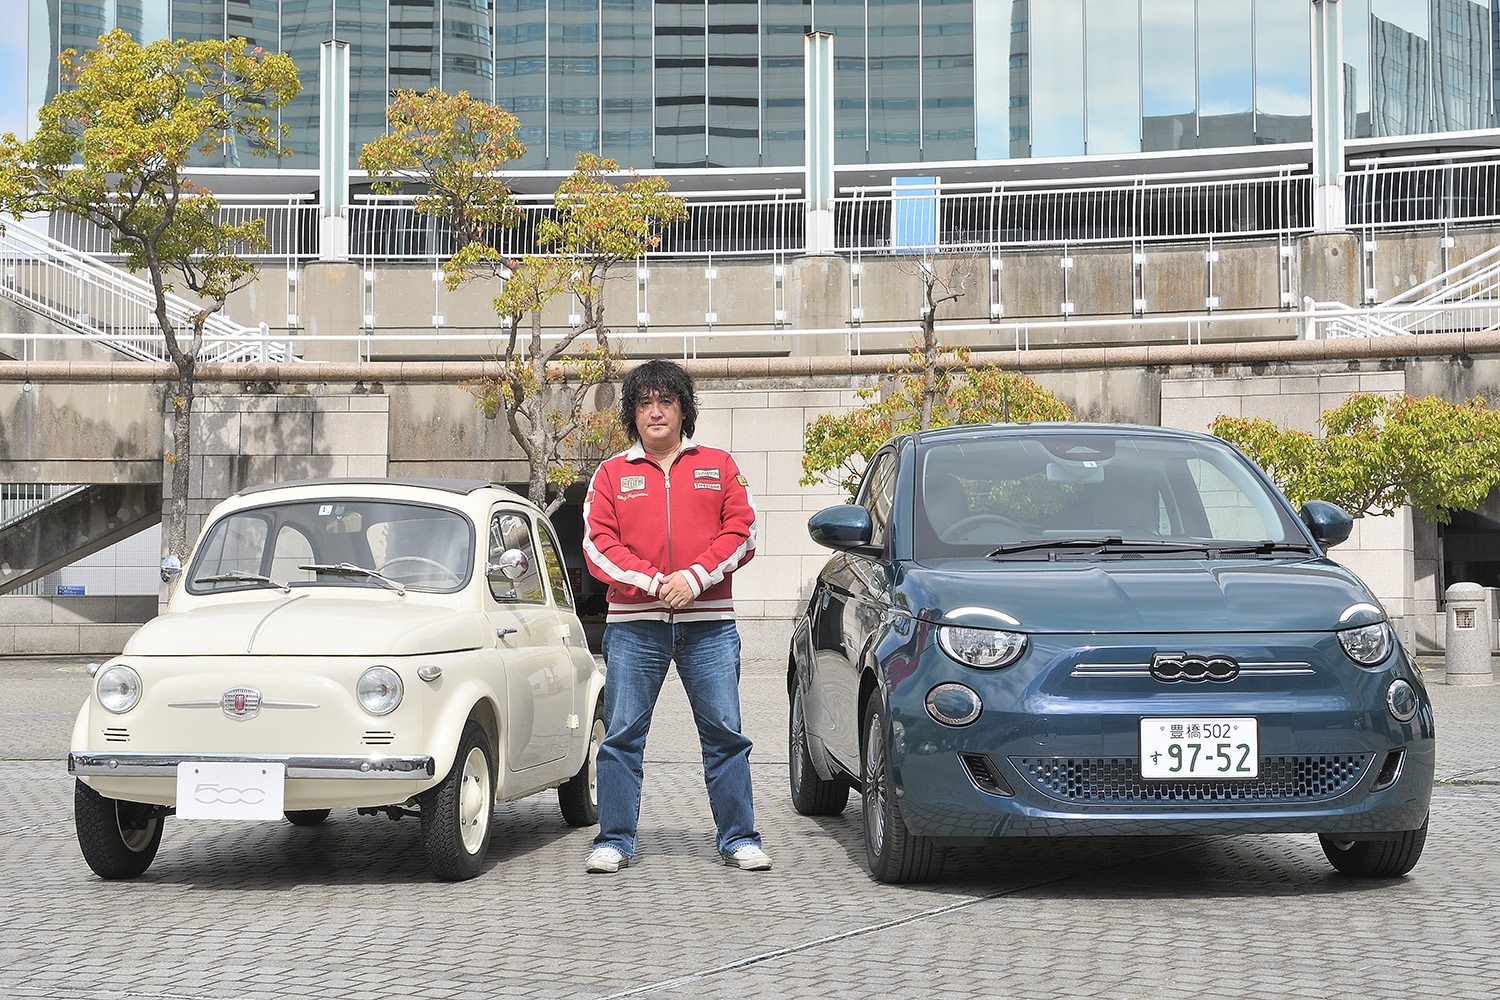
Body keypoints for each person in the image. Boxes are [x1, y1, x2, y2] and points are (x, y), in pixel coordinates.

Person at [580, 359, 771, 873]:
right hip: (632, 627)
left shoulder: (720, 464)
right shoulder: (611, 475)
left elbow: (743, 532)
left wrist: (694, 579)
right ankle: (615, 839)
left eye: (666, 401)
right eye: (644, 404)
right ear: (632, 415)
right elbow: (598, 547)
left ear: (684, 409)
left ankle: (739, 838)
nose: (656, 412)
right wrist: (653, 583)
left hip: (708, 624)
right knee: (621, 735)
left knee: (725, 734)